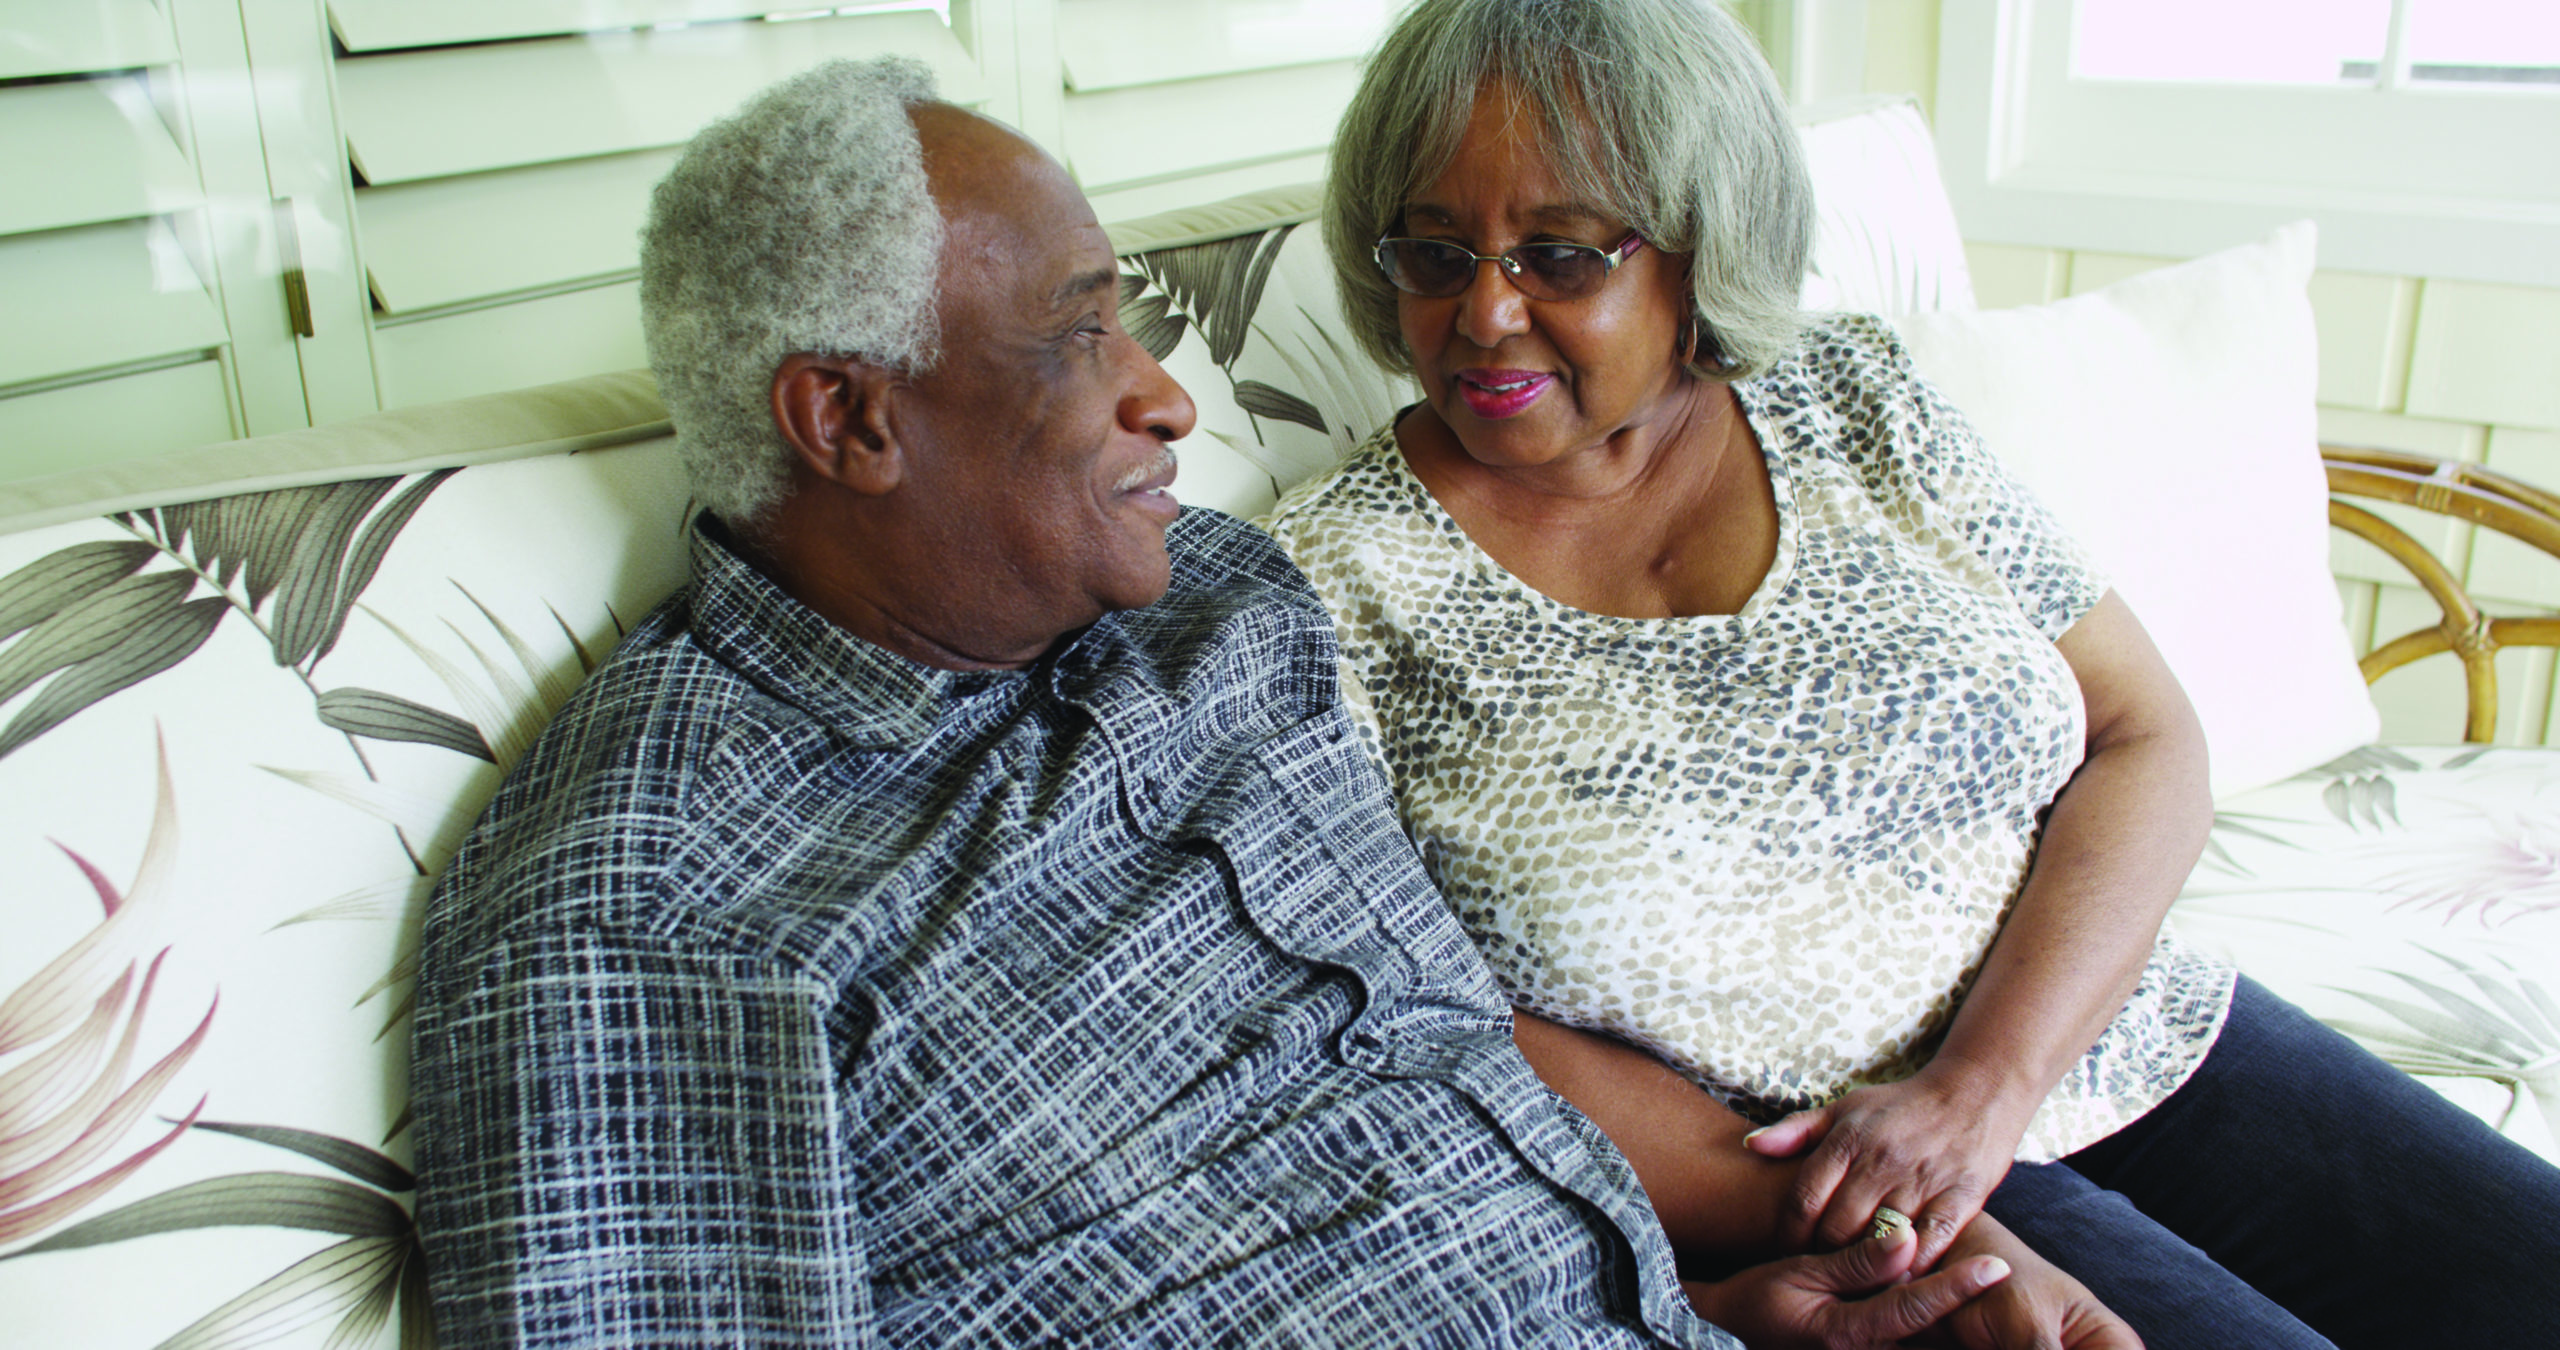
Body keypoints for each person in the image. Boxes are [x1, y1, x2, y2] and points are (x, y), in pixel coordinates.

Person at [404, 55, 2127, 1350]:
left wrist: (1749, 1300)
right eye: (1082, 338)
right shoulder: (648, 913)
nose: (1166, 397)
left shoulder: (1217, 605)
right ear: (848, 420)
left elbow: (1441, 1081)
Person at [1261, 2, 2560, 1348]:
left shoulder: (1854, 398)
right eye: (1432, 248)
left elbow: (2142, 731)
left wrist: (1984, 1087)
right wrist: (1884, 1209)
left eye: (1560, 255)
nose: (1483, 310)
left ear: (1699, 249)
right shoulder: (1322, 586)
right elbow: (1414, 1015)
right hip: (1810, 1182)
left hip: (2129, 1033)